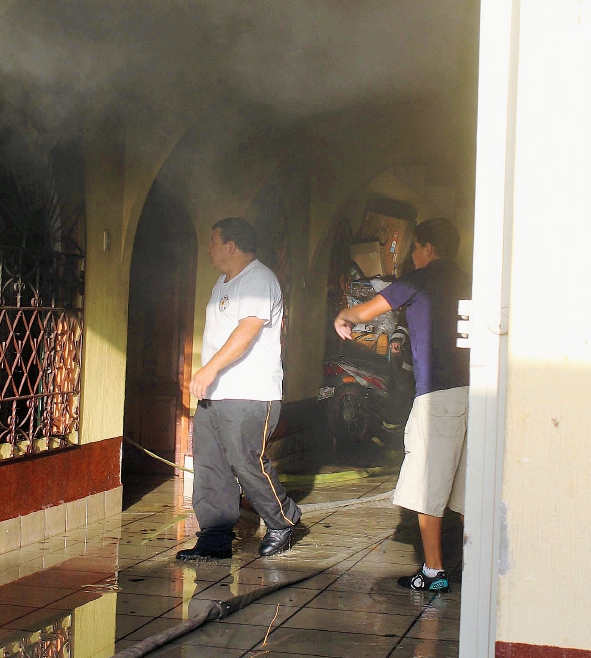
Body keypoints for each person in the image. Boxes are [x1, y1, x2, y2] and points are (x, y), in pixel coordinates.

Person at [334, 218, 470, 592]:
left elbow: (365, 312)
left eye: (415, 248)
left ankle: (432, 571)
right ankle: (472, 565)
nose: (413, 255)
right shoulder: (472, 279)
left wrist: (344, 315)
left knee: (428, 482)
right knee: (466, 487)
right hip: (477, 394)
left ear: (428, 247)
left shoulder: (421, 278)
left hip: (438, 396)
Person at [177, 217, 302, 561]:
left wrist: (208, 370)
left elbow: (247, 332)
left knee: (245, 460)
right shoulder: (223, 283)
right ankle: (214, 540)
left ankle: (283, 519)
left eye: (213, 242)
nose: (210, 248)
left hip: (250, 393)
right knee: (211, 465)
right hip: (215, 394)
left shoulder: (259, 279)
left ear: (231, 245)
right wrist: (208, 379)